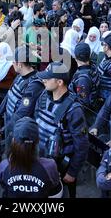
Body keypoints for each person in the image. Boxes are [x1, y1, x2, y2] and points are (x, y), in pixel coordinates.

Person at [34, 62, 89, 198]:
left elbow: (82, 145)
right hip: (40, 159)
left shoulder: (74, 109)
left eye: (48, 78)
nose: (43, 80)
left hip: (61, 166)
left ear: (59, 82)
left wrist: (72, 172)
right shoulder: (43, 96)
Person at [0, 46, 44, 152]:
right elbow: (9, 94)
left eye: (13, 62)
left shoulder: (34, 85)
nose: (12, 64)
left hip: (18, 129)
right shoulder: (20, 75)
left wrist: (3, 130)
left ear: (20, 64)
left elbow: (23, 112)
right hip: (9, 122)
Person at [0, 117, 63, 198]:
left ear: (13, 140)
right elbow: (56, 192)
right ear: (37, 141)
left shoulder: (4, 166)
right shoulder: (50, 166)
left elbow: (3, 185)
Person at [69, 43, 99, 126]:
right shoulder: (93, 66)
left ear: (75, 57)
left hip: (84, 117)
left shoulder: (83, 79)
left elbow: (83, 103)